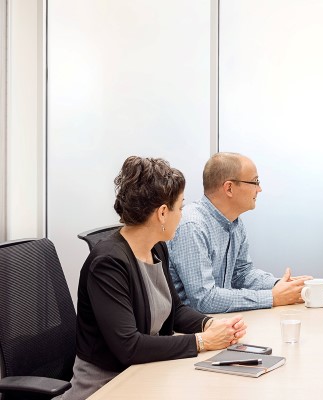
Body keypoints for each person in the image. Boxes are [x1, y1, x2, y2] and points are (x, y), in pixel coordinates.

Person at [63, 156, 247, 400]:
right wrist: (202, 342)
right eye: (179, 207)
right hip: (107, 387)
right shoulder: (108, 263)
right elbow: (129, 346)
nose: (182, 215)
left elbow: (176, 310)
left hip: (146, 374)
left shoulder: (157, 249)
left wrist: (209, 325)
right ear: (162, 213)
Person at [168, 152, 311, 313]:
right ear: (229, 188)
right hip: (188, 330)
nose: (260, 189)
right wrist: (272, 297)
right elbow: (204, 299)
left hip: (219, 321)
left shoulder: (235, 223)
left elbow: (241, 274)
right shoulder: (192, 225)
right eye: (255, 182)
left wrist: (281, 285)